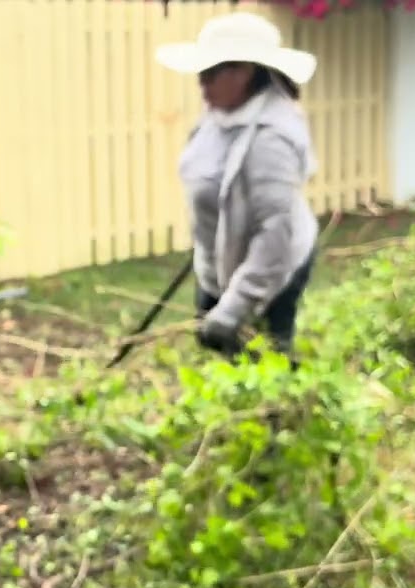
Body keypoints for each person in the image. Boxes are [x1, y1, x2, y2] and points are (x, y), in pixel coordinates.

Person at [155, 12, 320, 362]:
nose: (202, 82)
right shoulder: (220, 115)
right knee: (221, 356)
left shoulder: (271, 139)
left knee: (263, 363)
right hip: (222, 268)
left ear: (244, 72)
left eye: (211, 73)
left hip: (270, 274)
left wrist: (234, 308)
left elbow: (275, 235)